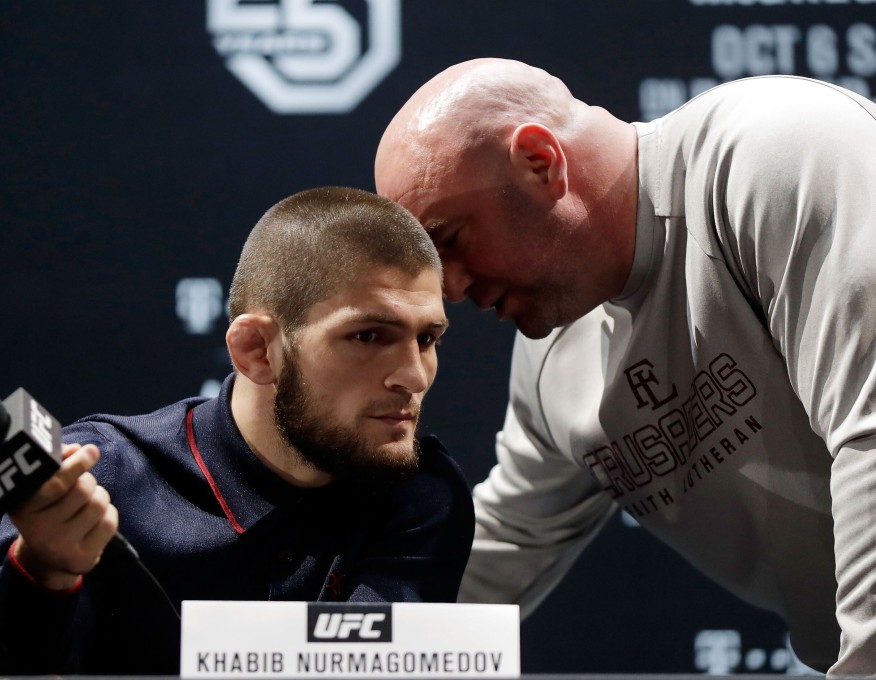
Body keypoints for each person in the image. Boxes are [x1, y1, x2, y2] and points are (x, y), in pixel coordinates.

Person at [374, 58, 876, 675]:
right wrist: (309, 650)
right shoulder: (552, 356)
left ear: (540, 161)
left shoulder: (777, 150)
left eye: (449, 238)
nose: (449, 290)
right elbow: (507, 547)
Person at [0, 186, 475, 675]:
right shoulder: (98, 478)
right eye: (368, 336)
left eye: (427, 339)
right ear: (256, 350)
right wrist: (44, 573)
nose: (414, 377)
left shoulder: (422, 494)